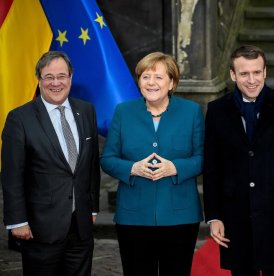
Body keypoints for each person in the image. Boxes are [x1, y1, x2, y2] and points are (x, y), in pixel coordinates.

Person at [203, 45, 274, 276]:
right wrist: (213, 216)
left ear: (265, 72)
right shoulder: (217, 110)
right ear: (233, 75)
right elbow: (212, 167)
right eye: (244, 73)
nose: (251, 80)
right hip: (235, 215)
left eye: (257, 72)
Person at [100, 52, 204, 276]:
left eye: (158, 77)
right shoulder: (123, 112)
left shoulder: (191, 112)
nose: (151, 83)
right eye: (145, 76)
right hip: (133, 216)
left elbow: (203, 158)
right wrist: (132, 168)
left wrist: (175, 168)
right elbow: (107, 159)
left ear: (172, 82)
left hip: (180, 217)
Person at [1, 51, 101, 275]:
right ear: (39, 80)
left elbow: (91, 164)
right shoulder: (20, 118)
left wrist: (93, 206)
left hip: (81, 226)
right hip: (40, 228)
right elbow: (12, 175)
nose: (56, 83)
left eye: (61, 76)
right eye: (49, 77)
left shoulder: (86, 111)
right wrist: (17, 221)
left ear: (71, 78)